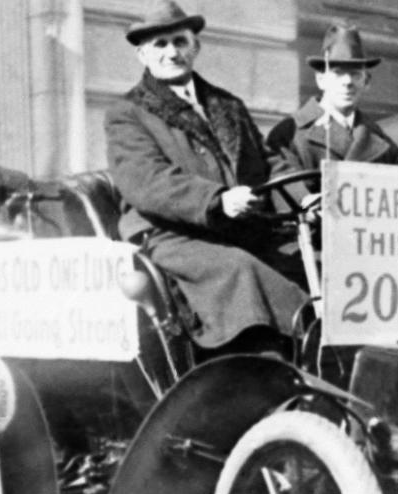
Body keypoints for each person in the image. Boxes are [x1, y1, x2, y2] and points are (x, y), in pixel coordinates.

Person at [105, 0, 308, 354]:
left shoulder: (227, 105)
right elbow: (146, 179)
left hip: (239, 228)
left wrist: (304, 197)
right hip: (171, 234)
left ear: (195, 46)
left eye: (179, 42)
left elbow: (267, 161)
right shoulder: (128, 113)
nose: (172, 53)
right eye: (160, 44)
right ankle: (258, 372)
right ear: (142, 55)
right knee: (239, 270)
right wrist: (216, 200)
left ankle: (316, 357)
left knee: (307, 260)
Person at [267, 22, 398, 175]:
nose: (347, 82)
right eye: (338, 73)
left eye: (355, 74)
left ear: (366, 82)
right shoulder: (288, 136)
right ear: (321, 80)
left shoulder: (380, 139)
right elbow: (286, 192)